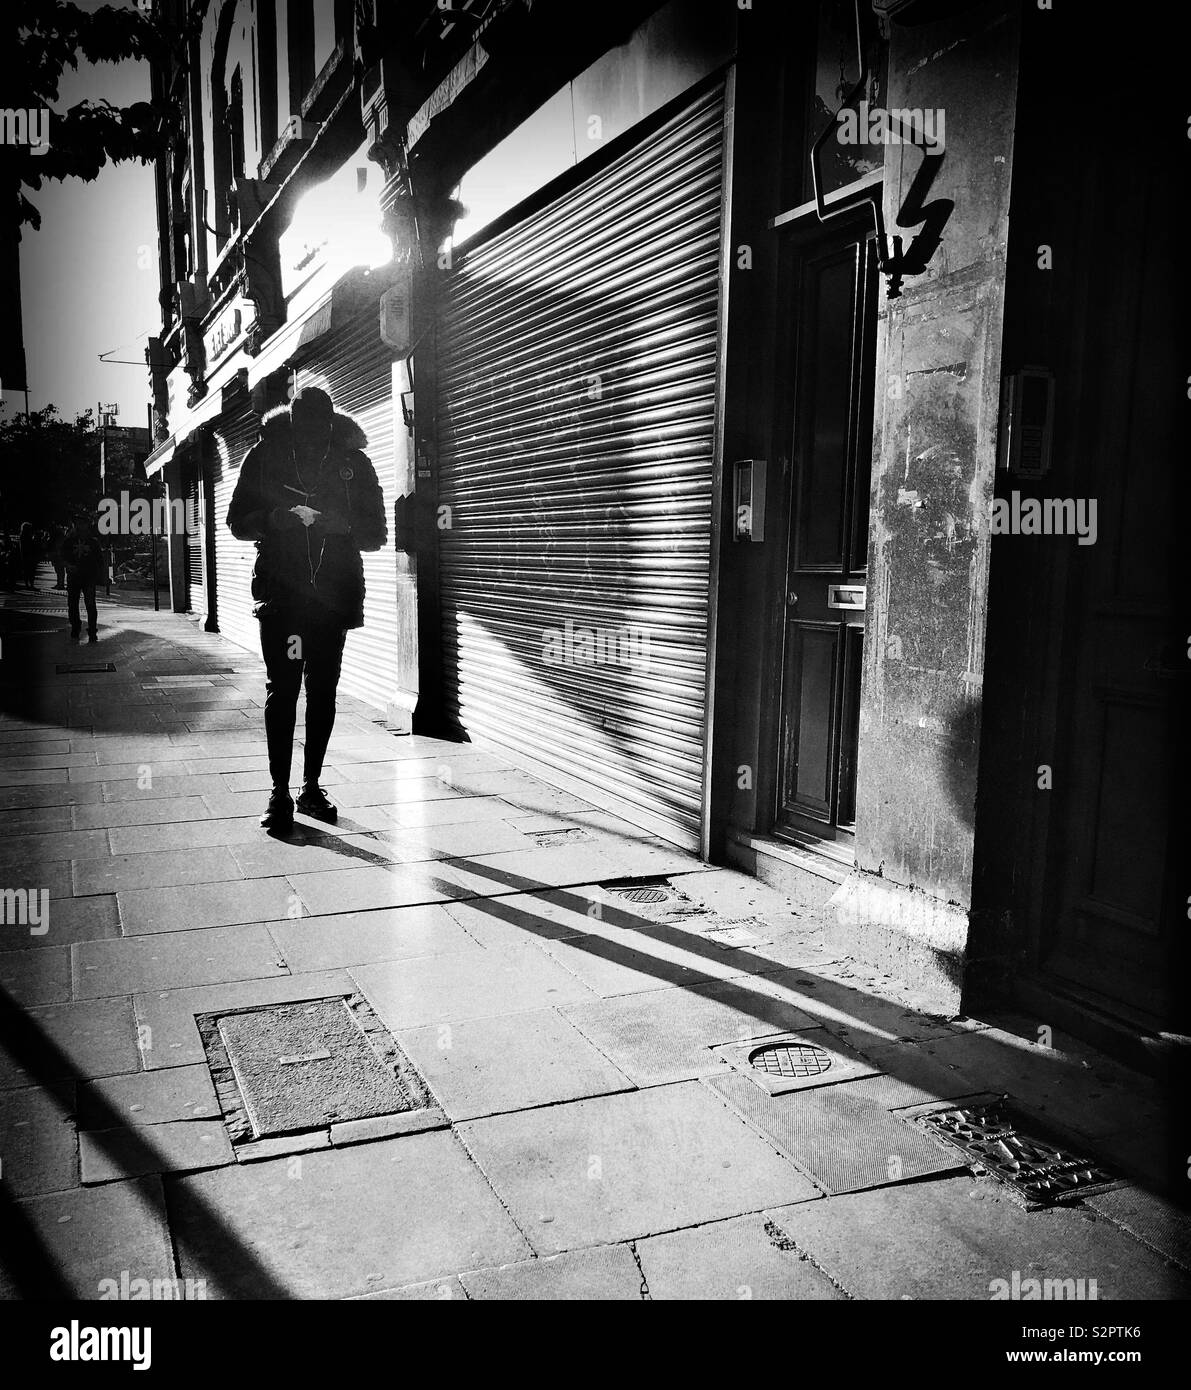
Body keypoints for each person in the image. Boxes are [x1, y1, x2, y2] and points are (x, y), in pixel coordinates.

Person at [226, 386, 387, 833]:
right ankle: (279, 791)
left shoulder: (353, 463)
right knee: (283, 689)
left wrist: (343, 526)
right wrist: (273, 520)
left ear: (332, 423)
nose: (313, 436)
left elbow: (377, 534)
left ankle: (311, 786)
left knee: (323, 691)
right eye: (304, 427)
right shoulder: (264, 456)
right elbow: (237, 521)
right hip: (281, 595)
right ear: (292, 424)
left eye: (322, 427)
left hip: (332, 598)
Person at [62, 515, 104, 642]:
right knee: (73, 603)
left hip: (88, 576)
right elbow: (62, 556)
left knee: (90, 604)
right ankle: (75, 626)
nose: (81, 526)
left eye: (83, 523)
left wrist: (98, 575)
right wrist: (68, 566)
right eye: (79, 523)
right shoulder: (69, 541)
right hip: (74, 576)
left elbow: (99, 560)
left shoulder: (93, 542)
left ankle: (92, 630)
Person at [17, 521, 38, 590]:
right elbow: (30, 546)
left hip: (24, 555)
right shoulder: (27, 536)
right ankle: (31, 585)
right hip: (29, 555)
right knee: (31, 571)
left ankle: (27, 585)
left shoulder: (22, 536)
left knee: (26, 571)